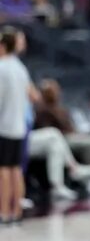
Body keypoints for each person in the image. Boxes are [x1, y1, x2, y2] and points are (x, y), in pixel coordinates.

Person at [0, 29, 31, 224]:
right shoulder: (21, 68)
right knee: (16, 170)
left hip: (4, 126)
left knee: (3, 170)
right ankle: (17, 211)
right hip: (20, 126)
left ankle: (3, 211)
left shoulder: (2, 67)